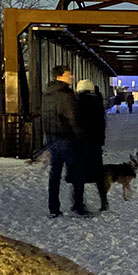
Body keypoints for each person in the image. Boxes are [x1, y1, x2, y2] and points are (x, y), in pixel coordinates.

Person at [42, 64, 89, 217]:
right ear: (60, 76)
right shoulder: (66, 95)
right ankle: (78, 206)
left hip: (52, 138)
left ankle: (53, 208)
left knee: (55, 174)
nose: (72, 76)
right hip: (68, 139)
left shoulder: (46, 94)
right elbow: (73, 119)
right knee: (77, 174)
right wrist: (81, 138)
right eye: (69, 74)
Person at [75, 80, 108, 210]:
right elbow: (102, 123)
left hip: (80, 143)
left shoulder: (75, 103)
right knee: (98, 174)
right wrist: (101, 141)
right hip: (95, 143)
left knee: (79, 175)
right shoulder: (97, 103)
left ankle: (78, 203)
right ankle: (103, 201)